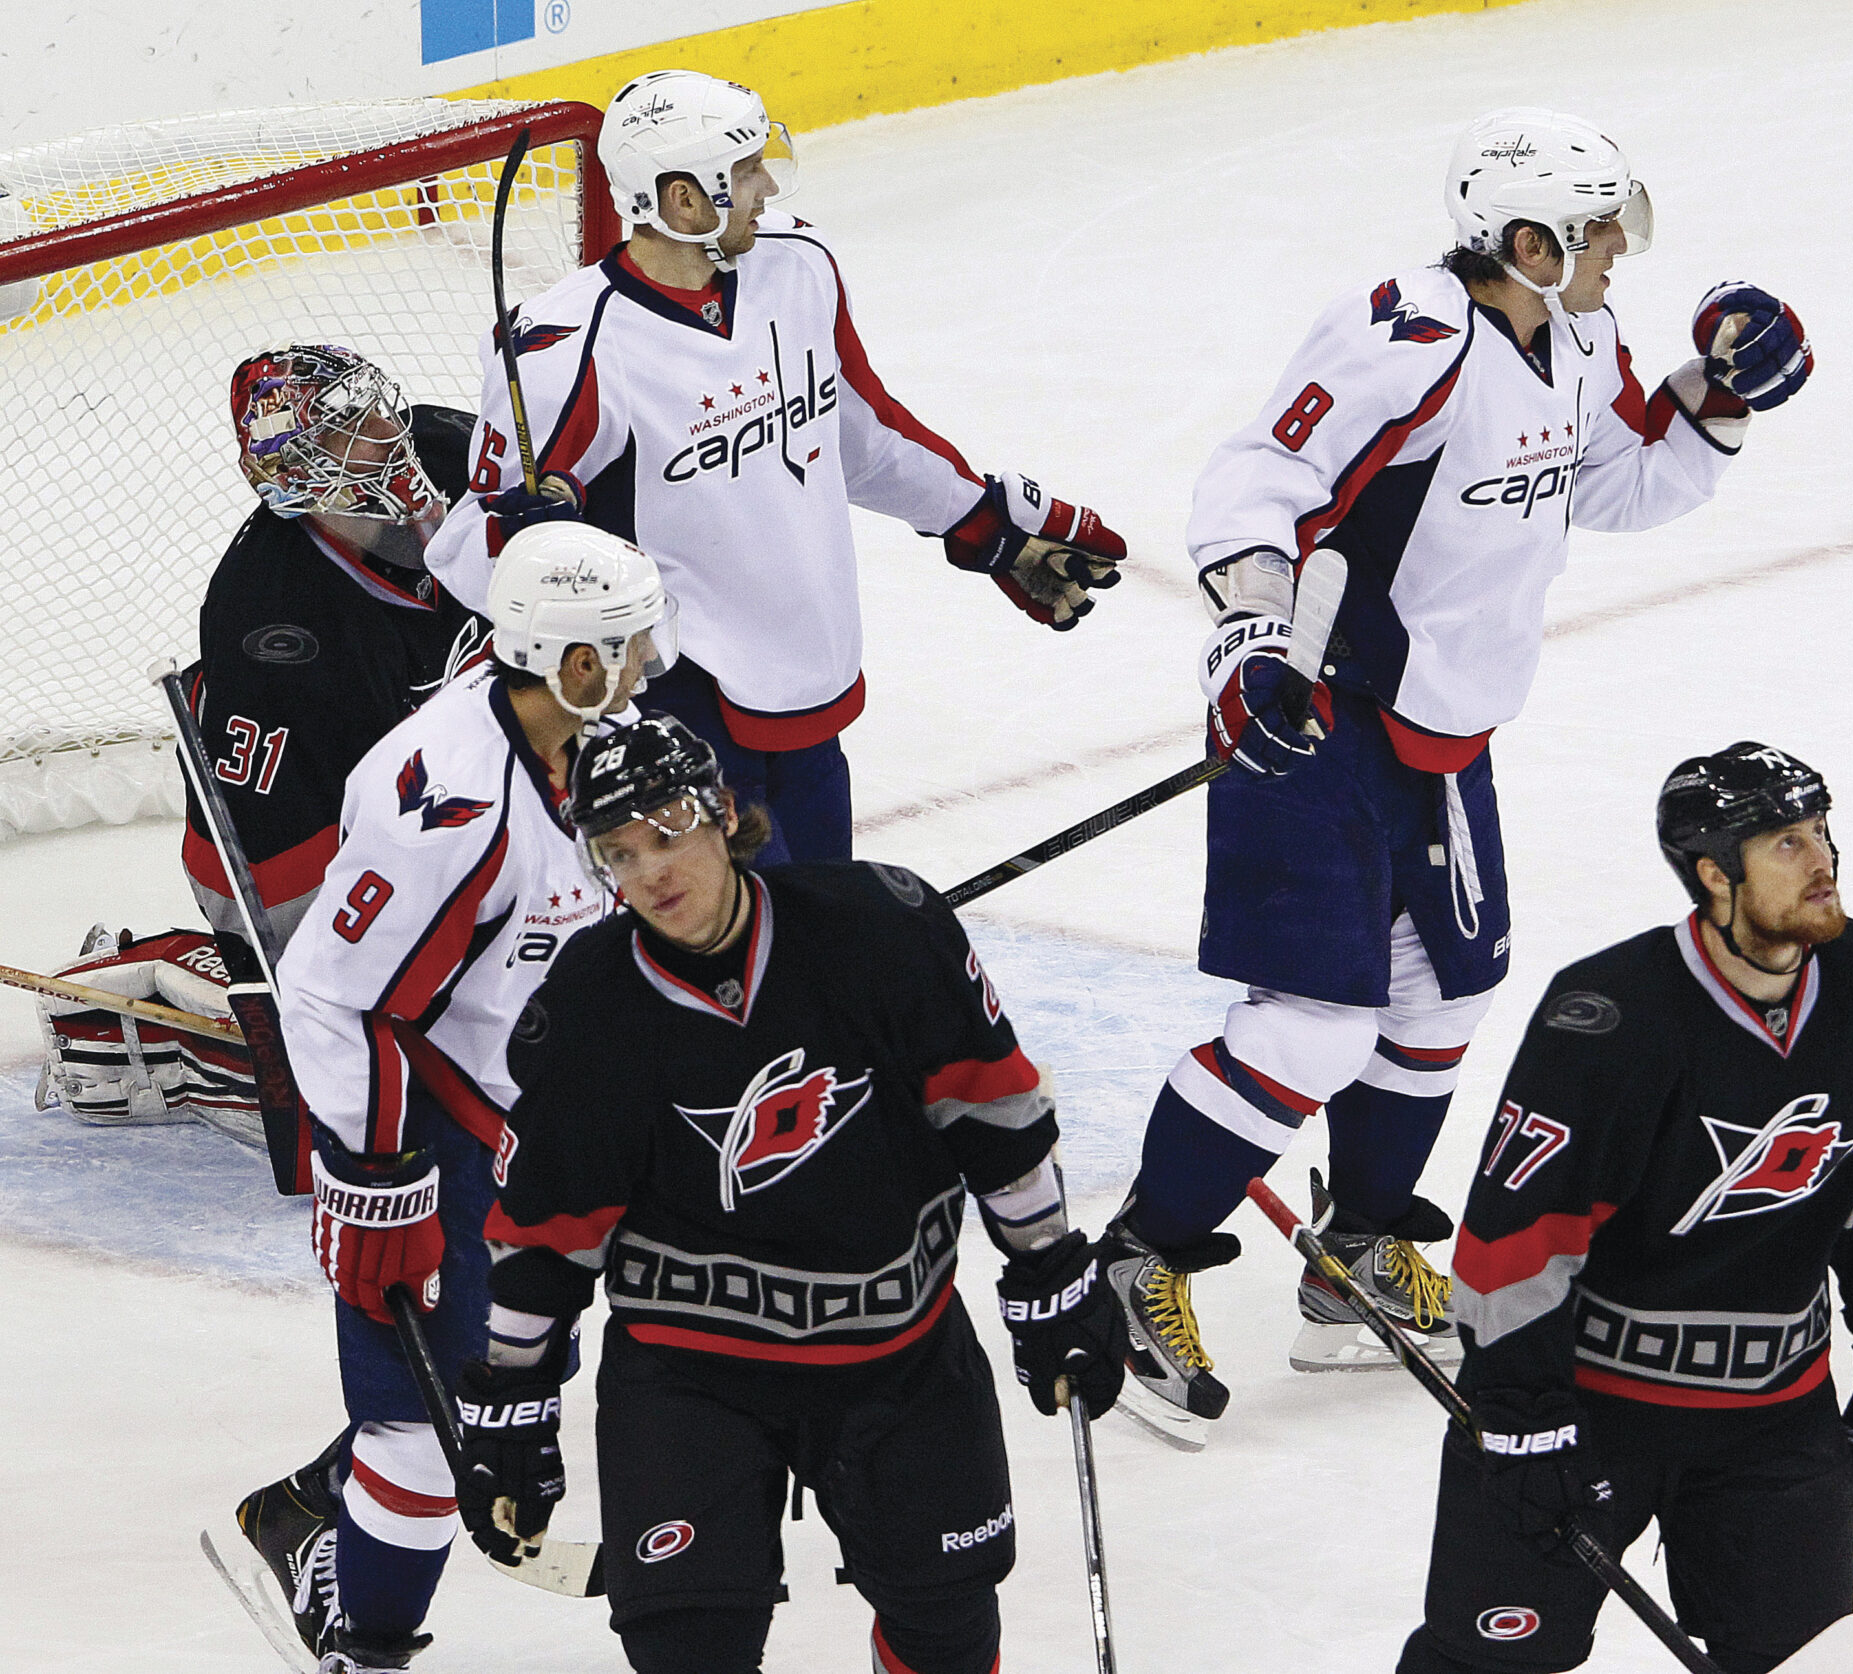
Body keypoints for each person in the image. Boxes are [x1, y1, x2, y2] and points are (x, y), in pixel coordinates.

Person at [1094, 107, 1815, 1446]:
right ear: (1529, 242)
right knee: (1312, 1026)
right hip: (1316, 713)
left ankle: (1352, 1255)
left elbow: (1602, 488)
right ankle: (1136, 1259)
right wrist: (1253, 638)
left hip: (1443, 730)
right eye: (1601, 233)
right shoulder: (1408, 338)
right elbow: (1259, 475)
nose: (1618, 255)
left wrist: (1717, 402)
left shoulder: (1578, 335)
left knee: (1442, 1004)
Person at [453, 715, 1121, 1674]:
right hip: (691, 1373)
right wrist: (513, 1394)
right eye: (619, 851)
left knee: (947, 1636)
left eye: (670, 825)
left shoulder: (881, 928)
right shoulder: (590, 1008)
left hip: (900, 1354)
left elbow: (991, 1111)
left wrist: (1052, 1266)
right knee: (688, 1650)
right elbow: (549, 1232)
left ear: (724, 812)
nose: (652, 871)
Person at [424, 68, 1128, 865]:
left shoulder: (796, 264)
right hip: (676, 711)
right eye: (743, 170)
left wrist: (988, 527)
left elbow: (861, 434)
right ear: (685, 200)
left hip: (804, 687)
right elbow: (476, 551)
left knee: (816, 945)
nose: (764, 184)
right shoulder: (567, 352)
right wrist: (534, 541)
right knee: (752, 952)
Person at [1400, 744, 1853, 1674]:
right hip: (1588, 1413)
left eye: (1821, 830)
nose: (1822, 859)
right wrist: (1523, 1421)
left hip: (1774, 1417)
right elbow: (1515, 1246)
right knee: (1479, 1665)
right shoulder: (1609, 1018)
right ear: (1713, 873)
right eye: (1787, 842)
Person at [224, 523, 674, 1672]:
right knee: (429, 1431)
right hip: (438, 1119)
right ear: (569, 662)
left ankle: (314, 1507)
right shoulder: (456, 812)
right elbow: (330, 998)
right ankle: (365, 1645)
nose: (651, 660)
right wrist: (380, 1182)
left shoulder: (595, 733)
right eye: (627, 644)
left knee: (511, 1381)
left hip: (549, 1106)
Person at [34, 347, 482, 1147]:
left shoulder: (453, 446)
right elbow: (298, 866)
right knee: (424, 1053)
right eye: (348, 429)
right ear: (297, 472)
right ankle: (178, 998)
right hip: (288, 855)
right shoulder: (278, 624)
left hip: (435, 786)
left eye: (374, 406)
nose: (389, 430)